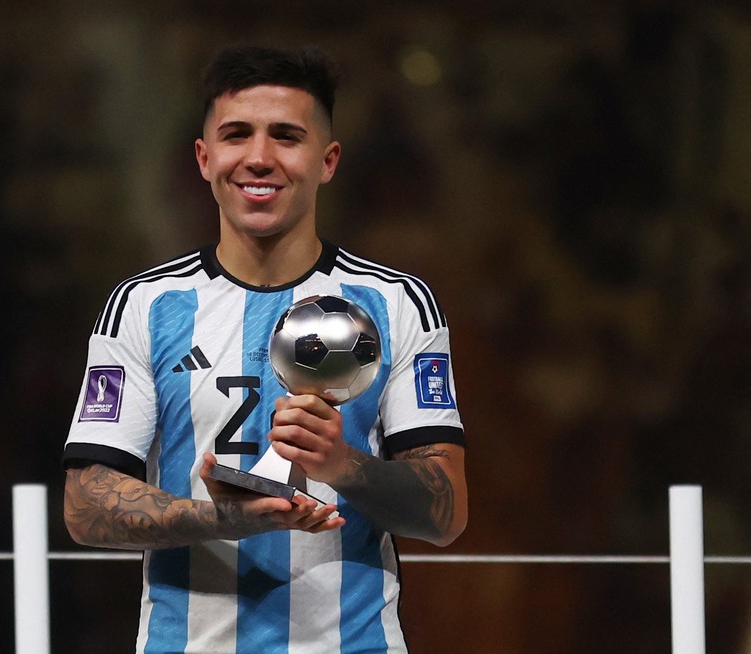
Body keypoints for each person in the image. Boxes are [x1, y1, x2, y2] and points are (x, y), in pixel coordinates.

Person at [62, 43, 468, 653]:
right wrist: (226, 518)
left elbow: (446, 513)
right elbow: (85, 504)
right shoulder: (145, 306)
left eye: (286, 136)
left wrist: (341, 465)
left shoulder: (398, 304)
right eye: (236, 135)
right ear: (204, 158)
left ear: (327, 160)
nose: (258, 157)